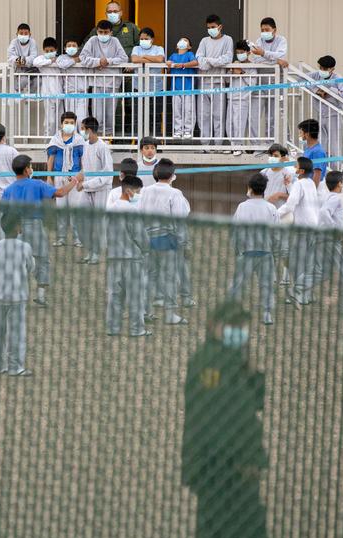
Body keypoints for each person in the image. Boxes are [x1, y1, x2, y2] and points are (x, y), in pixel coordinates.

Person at [181, 300, 269, 538]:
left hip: (221, 469)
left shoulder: (231, 359)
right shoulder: (212, 363)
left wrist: (251, 370)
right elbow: (227, 419)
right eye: (231, 326)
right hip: (224, 469)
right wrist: (248, 461)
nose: (237, 331)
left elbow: (255, 400)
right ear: (213, 326)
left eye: (241, 326)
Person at [2, 154, 79, 306]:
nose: (32, 169)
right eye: (30, 166)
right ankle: (41, 295)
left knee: (18, 262)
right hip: (35, 225)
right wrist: (75, 181)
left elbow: (6, 211)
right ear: (26, 170)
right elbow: (60, 193)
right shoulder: (36, 184)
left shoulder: (8, 189)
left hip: (16, 228)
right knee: (42, 260)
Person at [294, 171, 343, 314]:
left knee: (321, 271)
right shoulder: (336, 198)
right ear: (339, 184)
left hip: (321, 238)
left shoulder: (327, 196)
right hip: (331, 239)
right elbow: (324, 213)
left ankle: (297, 288)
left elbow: (327, 215)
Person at [138, 159, 190, 325]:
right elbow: (180, 219)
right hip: (167, 240)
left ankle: (145, 312)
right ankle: (170, 314)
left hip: (147, 239)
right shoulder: (175, 194)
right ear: (173, 175)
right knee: (169, 277)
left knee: (149, 277)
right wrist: (183, 242)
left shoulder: (144, 191)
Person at [229, 173, 279, 325]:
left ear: (249, 188)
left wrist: (237, 248)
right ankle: (267, 314)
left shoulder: (242, 207)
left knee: (238, 284)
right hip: (266, 252)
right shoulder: (271, 208)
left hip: (247, 252)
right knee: (266, 285)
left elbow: (235, 230)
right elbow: (276, 233)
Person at [0, 213, 36, 377]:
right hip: (17, 295)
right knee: (16, 331)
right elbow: (31, 267)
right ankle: (15, 366)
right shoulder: (25, 247)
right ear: (18, 228)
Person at [106, 175, 151, 337]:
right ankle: (136, 329)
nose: (138, 195)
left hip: (114, 257)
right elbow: (140, 236)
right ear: (129, 191)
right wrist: (146, 249)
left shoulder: (110, 210)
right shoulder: (132, 210)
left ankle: (113, 328)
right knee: (135, 296)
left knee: (114, 294)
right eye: (137, 192)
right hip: (132, 259)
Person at [278, 156, 321, 306]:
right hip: (314, 227)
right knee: (308, 263)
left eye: (296, 166)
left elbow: (290, 205)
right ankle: (307, 295)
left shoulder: (300, 184)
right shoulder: (310, 184)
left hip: (302, 229)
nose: (294, 168)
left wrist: (275, 213)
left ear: (301, 170)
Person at [74, 117, 114, 265]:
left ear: (89, 130)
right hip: (87, 189)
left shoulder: (103, 147)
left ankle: (96, 253)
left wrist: (85, 185)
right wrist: (76, 179)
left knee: (98, 223)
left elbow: (107, 174)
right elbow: (86, 169)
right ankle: (90, 250)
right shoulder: (85, 145)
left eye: (83, 129)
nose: (81, 131)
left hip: (101, 190)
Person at [80, 20, 129, 138]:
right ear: (97, 31)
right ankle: (98, 138)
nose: (103, 34)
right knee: (98, 114)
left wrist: (108, 61)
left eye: (105, 32)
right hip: (97, 83)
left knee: (110, 114)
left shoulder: (115, 41)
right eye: (100, 32)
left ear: (111, 32)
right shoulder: (92, 40)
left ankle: (108, 139)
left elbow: (124, 58)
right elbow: (83, 57)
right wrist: (97, 62)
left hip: (113, 83)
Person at [47, 112, 86, 247]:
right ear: (61, 124)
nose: (69, 125)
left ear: (75, 124)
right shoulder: (55, 140)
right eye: (66, 122)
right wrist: (49, 177)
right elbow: (50, 159)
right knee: (61, 208)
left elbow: (83, 160)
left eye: (72, 123)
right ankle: (61, 238)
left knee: (75, 209)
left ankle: (77, 238)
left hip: (74, 177)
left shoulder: (80, 140)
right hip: (59, 177)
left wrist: (81, 177)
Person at [196, 15, 234, 146]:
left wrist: (210, 61)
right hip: (204, 82)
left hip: (219, 83)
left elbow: (227, 58)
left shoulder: (227, 40)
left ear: (220, 27)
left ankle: (218, 144)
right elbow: (200, 60)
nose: (210, 30)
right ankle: (204, 145)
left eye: (213, 27)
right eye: (208, 28)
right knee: (203, 115)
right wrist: (212, 62)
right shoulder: (204, 41)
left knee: (219, 115)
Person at [248, 17, 288, 140]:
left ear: (274, 30)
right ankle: (261, 143)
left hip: (276, 82)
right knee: (258, 115)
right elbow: (256, 59)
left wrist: (264, 54)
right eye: (262, 29)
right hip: (261, 81)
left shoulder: (281, 40)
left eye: (267, 29)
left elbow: (280, 54)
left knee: (275, 115)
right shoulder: (259, 41)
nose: (264, 32)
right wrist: (275, 60)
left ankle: (279, 141)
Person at [261, 143, 296, 285]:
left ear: (283, 158)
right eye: (270, 156)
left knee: (285, 248)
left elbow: (295, 197)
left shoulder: (289, 173)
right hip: (268, 215)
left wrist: (281, 195)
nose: (272, 158)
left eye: (275, 156)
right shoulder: (263, 173)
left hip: (284, 214)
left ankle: (286, 277)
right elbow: (254, 194)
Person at [308, 55, 343, 163]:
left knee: (334, 143)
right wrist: (316, 89)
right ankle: (322, 166)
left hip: (334, 114)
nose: (322, 70)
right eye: (321, 67)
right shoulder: (316, 75)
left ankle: (337, 167)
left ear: (332, 69)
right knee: (321, 142)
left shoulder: (338, 78)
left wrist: (330, 90)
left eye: (325, 69)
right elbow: (300, 79)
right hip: (321, 114)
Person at [131, 27, 166, 136]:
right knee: (138, 117)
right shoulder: (136, 48)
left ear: (152, 39)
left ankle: (155, 143)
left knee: (155, 117)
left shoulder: (159, 48)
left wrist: (145, 56)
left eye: (146, 39)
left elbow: (160, 59)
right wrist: (151, 59)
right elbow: (134, 59)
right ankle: (138, 143)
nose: (143, 41)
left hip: (156, 88)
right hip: (138, 88)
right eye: (141, 38)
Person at [166, 38, 198, 139]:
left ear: (189, 46)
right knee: (176, 110)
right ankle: (178, 130)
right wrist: (168, 64)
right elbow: (168, 66)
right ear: (177, 45)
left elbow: (195, 62)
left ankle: (188, 130)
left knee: (188, 110)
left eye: (185, 40)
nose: (182, 41)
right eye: (180, 40)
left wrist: (183, 65)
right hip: (176, 88)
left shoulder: (189, 54)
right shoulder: (173, 56)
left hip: (188, 87)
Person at [226, 40, 252, 154]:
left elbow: (253, 83)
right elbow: (226, 80)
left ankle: (239, 146)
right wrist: (232, 71)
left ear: (248, 52)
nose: (239, 54)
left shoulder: (252, 66)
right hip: (231, 97)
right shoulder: (234, 64)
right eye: (238, 52)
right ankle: (232, 146)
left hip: (243, 99)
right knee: (229, 123)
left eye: (242, 52)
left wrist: (241, 73)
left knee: (239, 123)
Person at [33, 37, 63, 135]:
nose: (49, 52)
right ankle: (48, 141)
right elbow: (35, 62)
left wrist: (55, 61)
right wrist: (50, 61)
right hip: (47, 94)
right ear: (43, 50)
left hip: (60, 94)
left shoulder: (60, 59)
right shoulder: (41, 59)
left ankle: (59, 141)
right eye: (47, 51)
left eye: (51, 50)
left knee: (60, 119)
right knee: (50, 120)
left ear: (56, 50)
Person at [57, 39, 88, 122]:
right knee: (71, 118)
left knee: (81, 119)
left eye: (74, 46)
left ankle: (80, 135)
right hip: (69, 93)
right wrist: (74, 60)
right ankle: (72, 134)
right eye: (69, 46)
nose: (71, 48)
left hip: (82, 93)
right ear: (64, 48)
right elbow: (62, 65)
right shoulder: (62, 57)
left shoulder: (83, 58)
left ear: (78, 48)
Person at [8, 23, 38, 93]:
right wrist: (26, 61)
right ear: (17, 34)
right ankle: (17, 93)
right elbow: (10, 58)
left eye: (26, 33)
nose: (23, 35)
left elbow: (33, 58)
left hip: (32, 70)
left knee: (38, 81)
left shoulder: (33, 42)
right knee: (23, 80)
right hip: (19, 71)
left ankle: (29, 97)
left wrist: (19, 61)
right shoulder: (14, 42)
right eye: (21, 33)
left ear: (30, 34)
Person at [298, 119, 327, 185]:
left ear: (307, 134)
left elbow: (317, 174)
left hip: (314, 188)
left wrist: (311, 192)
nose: (299, 135)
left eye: (301, 132)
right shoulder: (308, 148)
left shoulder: (317, 152)